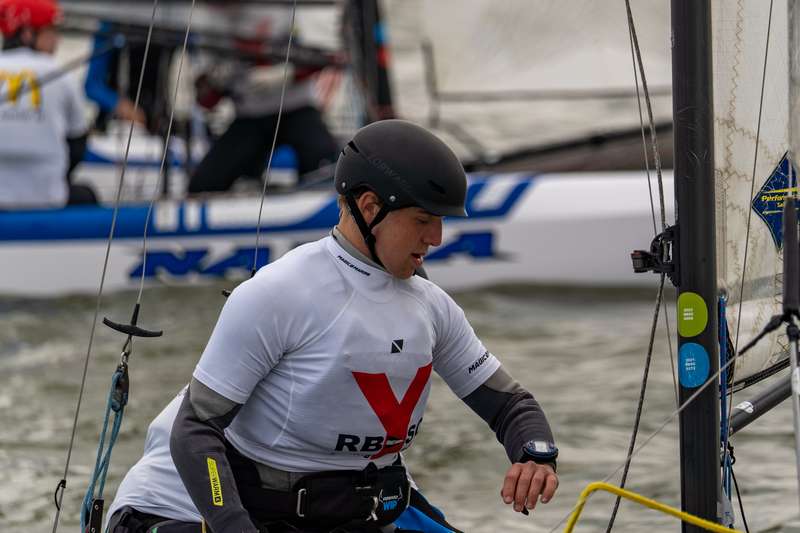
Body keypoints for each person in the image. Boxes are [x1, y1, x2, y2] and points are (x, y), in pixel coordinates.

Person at [105, 120, 559, 533]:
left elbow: (510, 404)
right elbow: (194, 431)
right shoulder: (281, 293)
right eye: (423, 220)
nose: (437, 238)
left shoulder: (433, 307)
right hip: (182, 512)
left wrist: (534, 454)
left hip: (335, 512)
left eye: (440, 222)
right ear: (369, 207)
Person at [187, 3, 339, 193]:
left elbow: (322, 55)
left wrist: (285, 74)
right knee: (203, 184)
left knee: (324, 167)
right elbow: (206, 101)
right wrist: (215, 81)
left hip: (297, 109)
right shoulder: (209, 22)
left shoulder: (284, 9)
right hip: (249, 118)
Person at [0, 0, 95, 209]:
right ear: (27, 34)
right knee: (87, 195)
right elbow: (78, 145)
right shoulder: (61, 75)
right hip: (47, 199)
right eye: (51, 31)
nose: (57, 40)